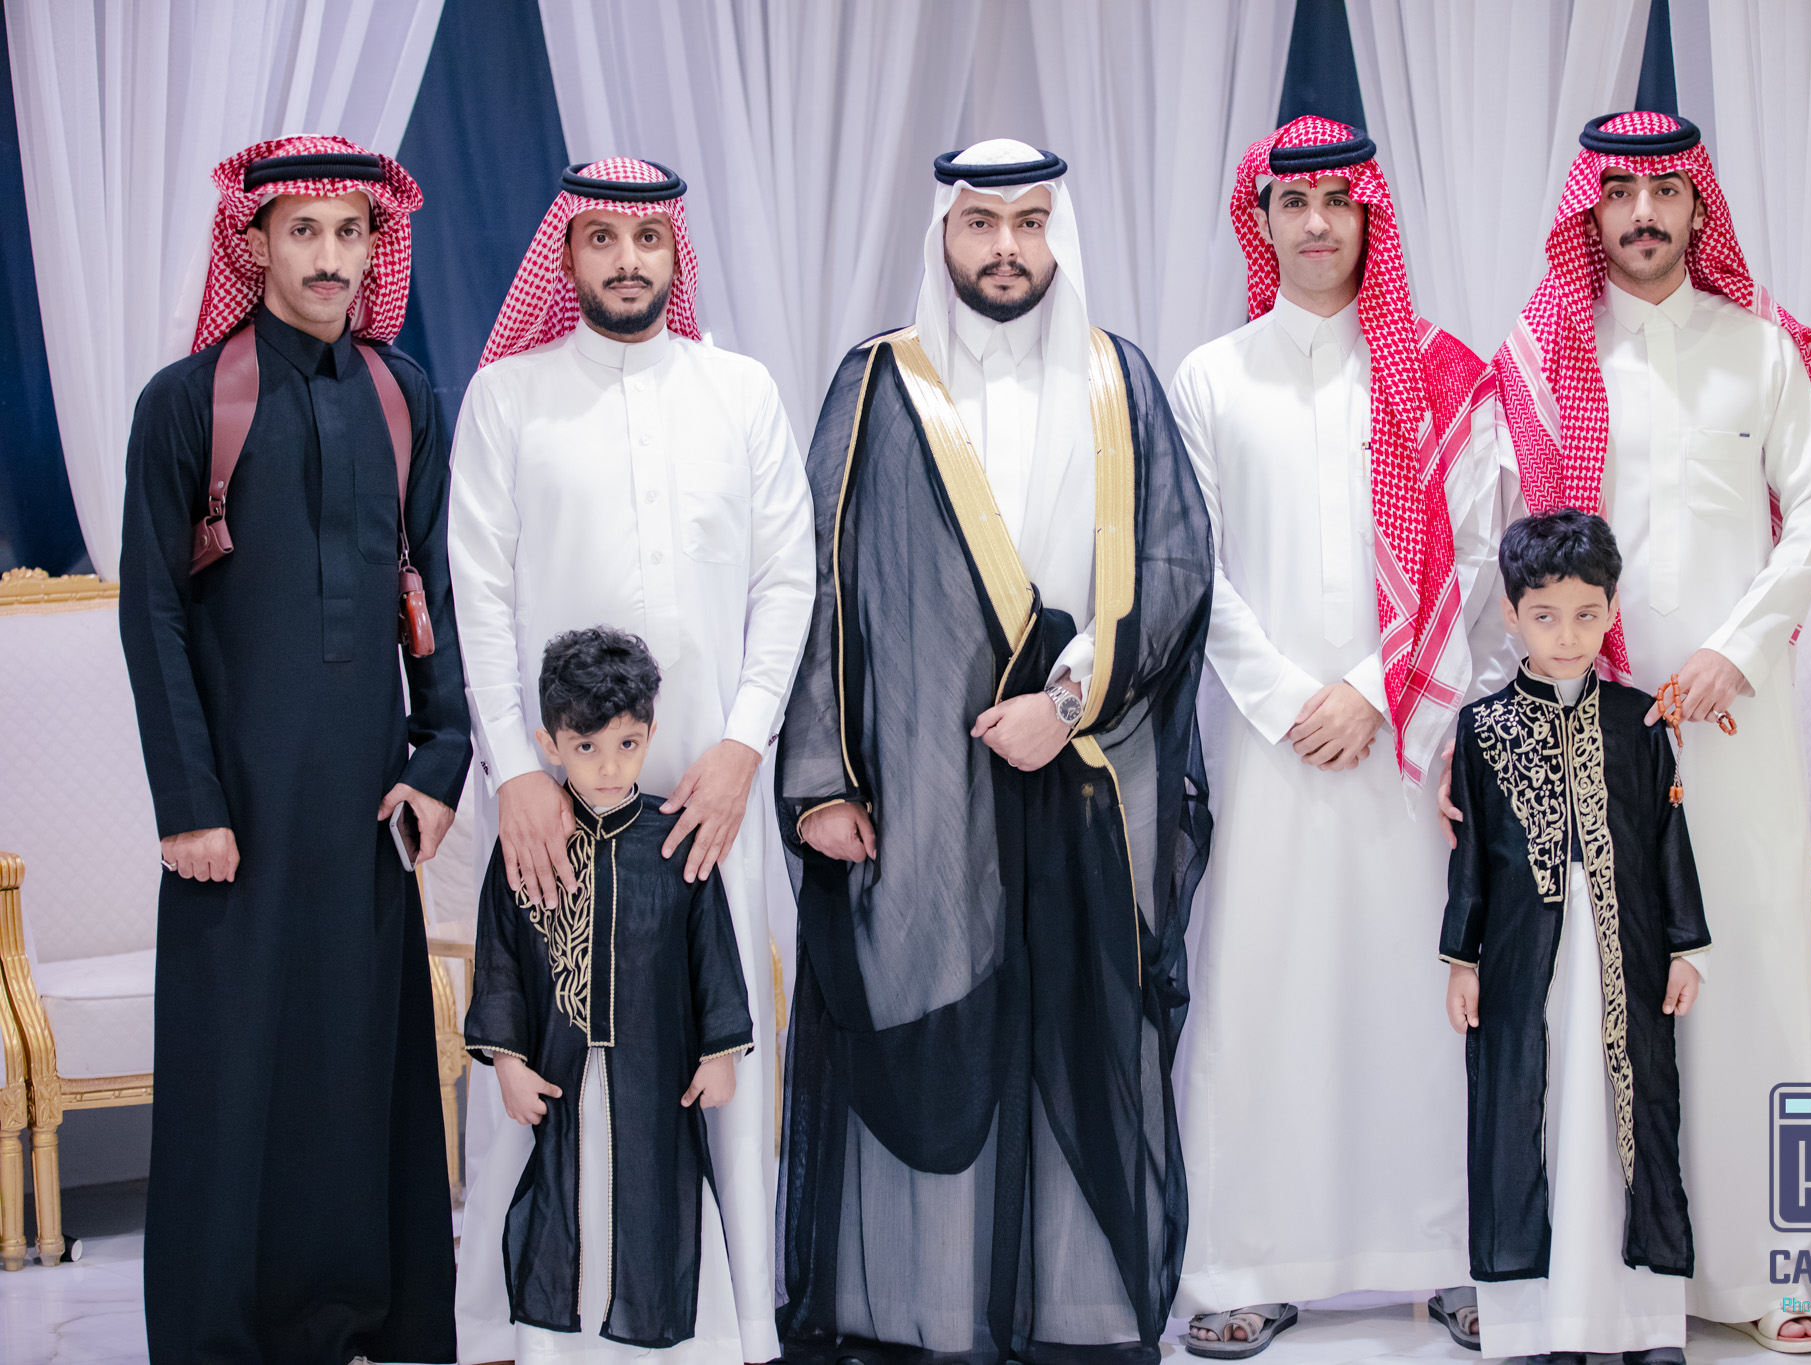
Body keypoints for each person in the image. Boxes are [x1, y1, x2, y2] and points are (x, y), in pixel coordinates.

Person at [774, 139, 1214, 1365]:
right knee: (931, 1012)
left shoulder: (1116, 380)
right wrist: (820, 780)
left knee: (1075, 1019)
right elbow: (817, 584)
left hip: (1084, 772)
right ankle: (921, 1306)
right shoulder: (876, 383)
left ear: (1056, 234)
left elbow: (1173, 569)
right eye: (980, 222)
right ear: (944, 236)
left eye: (1028, 221)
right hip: (917, 778)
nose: (1006, 247)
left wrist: (1064, 705)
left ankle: (1070, 1311)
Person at [1448, 109, 1811, 1353]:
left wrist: (1739, 648)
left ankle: (1776, 1272)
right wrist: (1486, 732)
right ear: (1591, 207)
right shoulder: (1539, 362)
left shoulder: (1760, 350)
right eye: (1616, 192)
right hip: (1587, 732)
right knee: (1601, 1000)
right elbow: (1494, 558)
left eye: (1662, 192)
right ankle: (1617, 1284)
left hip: (1733, 722)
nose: (1639, 214)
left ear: (1694, 207)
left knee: (1755, 974)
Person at [448, 157, 814, 1365]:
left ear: (674, 254)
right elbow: (478, 596)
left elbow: (786, 580)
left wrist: (743, 744)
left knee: (715, 1040)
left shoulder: (738, 392)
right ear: (566, 254)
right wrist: (514, 770)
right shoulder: (506, 398)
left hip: (708, 788)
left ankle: (728, 1324)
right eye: (600, 238)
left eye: (646, 239)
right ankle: (514, 1324)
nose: (625, 260)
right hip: (549, 792)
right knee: (538, 1044)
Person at [118, 135, 467, 1363]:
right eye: (303, 231)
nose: (328, 257)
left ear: (376, 247)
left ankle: (365, 1317)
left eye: (349, 233)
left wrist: (440, 756)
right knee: (233, 1068)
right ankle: (221, 1335)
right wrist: (189, 802)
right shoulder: (186, 402)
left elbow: (431, 591)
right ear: (256, 242)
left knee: (357, 1059)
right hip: (237, 811)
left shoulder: (404, 395)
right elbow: (152, 615)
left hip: (366, 805)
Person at [1166, 115, 1491, 1357]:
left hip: (1404, 743)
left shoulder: (1436, 374)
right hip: (1264, 749)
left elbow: (1475, 559)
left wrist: (1371, 687)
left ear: (1368, 218)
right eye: (1291, 204)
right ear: (1260, 222)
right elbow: (1187, 563)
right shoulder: (1210, 377)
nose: (1314, 224)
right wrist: (1283, 698)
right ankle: (1244, 1264)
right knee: (1259, 993)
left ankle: (1441, 1256)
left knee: (1417, 991)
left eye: (1336, 203)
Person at [1442, 509, 1711, 1365]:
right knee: (1530, 1113)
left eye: (1587, 614)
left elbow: (1669, 841)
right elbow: (1471, 863)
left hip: (1626, 956)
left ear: (1611, 610)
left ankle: (1641, 1325)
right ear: (1513, 614)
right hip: (1525, 964)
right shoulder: (1482, 729)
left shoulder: (1640, 720)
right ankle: (1539, 1328)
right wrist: (1462, 960)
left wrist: (1684, 947)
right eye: (1546, 616)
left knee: (1633, 1120)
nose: (1567, 635)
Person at [465, 626, 755, 1361]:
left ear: (651, 734)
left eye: (627, 743)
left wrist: (720, 1050)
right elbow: (499, 956)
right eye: (586, 746)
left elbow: (712, 949)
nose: (608, 765)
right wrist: (507, 1060)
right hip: (559, 1075)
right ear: (549, 744)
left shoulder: (674, 838)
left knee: (655, 1201)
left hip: (656, 1075)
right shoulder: (528, 843)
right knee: (567, 1205)